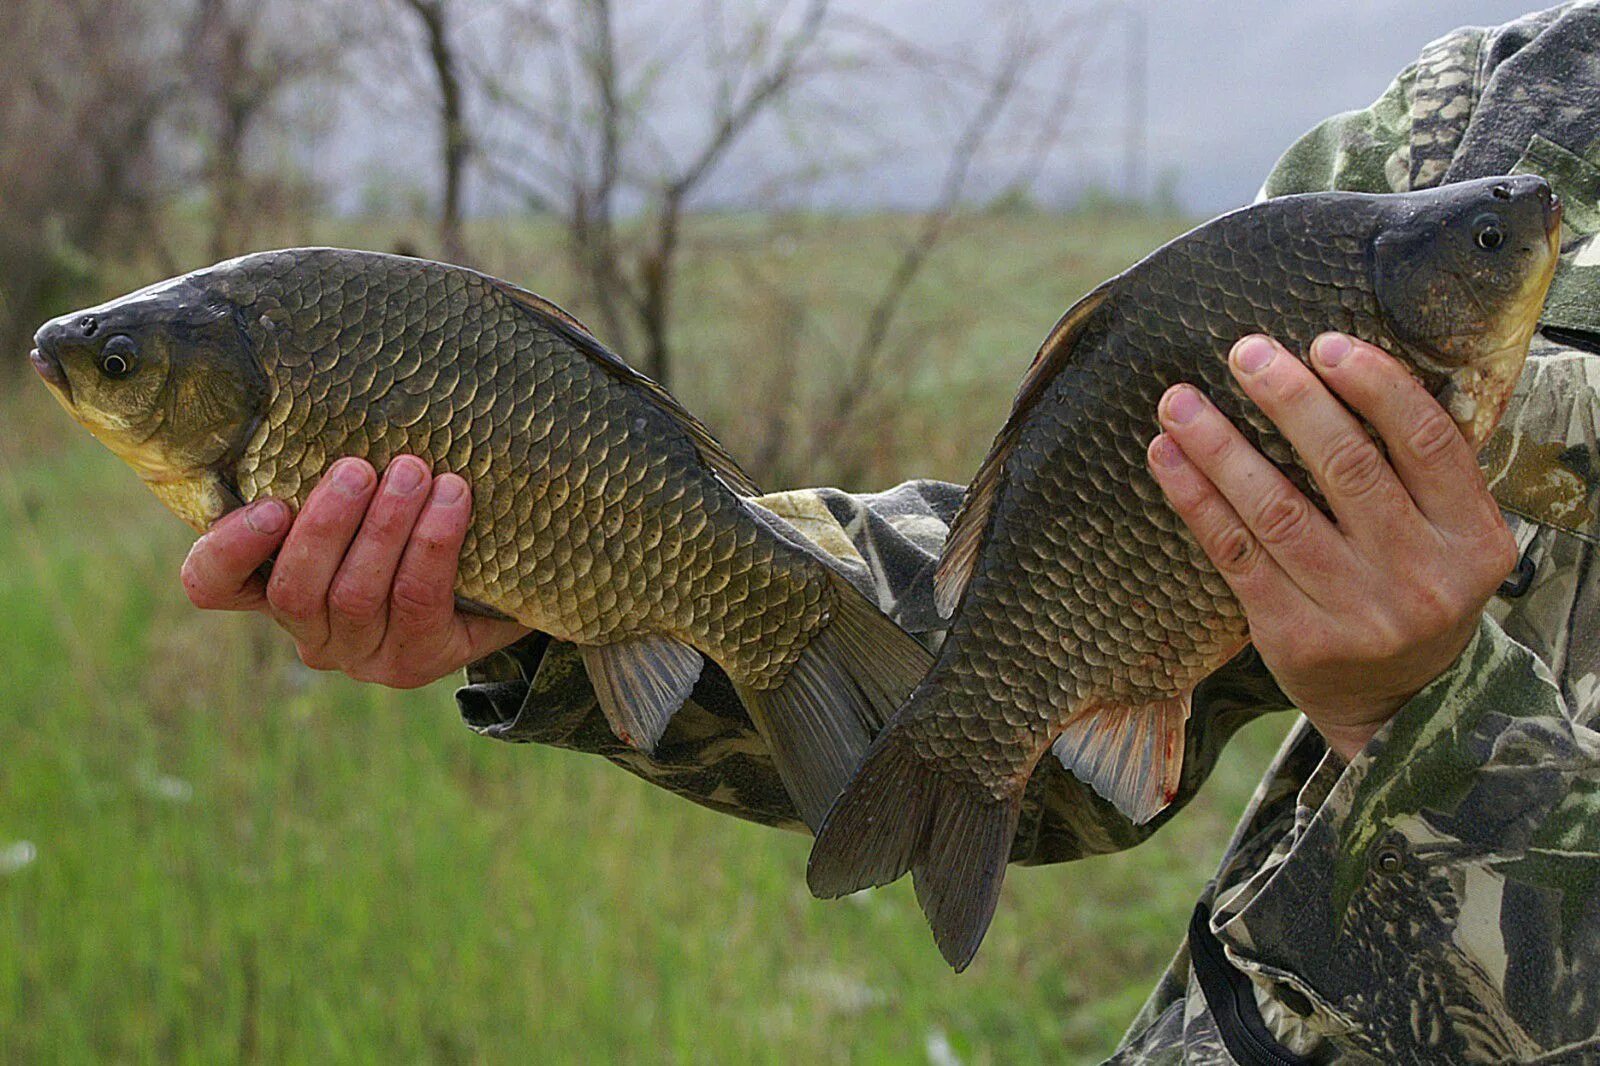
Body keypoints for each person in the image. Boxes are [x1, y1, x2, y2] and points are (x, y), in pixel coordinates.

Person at [177, 5, 1600, 1061]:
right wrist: (559, 581)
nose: (1512, 227)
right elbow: (1074, 587)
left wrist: (1432, 717)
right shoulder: (1498, 118)